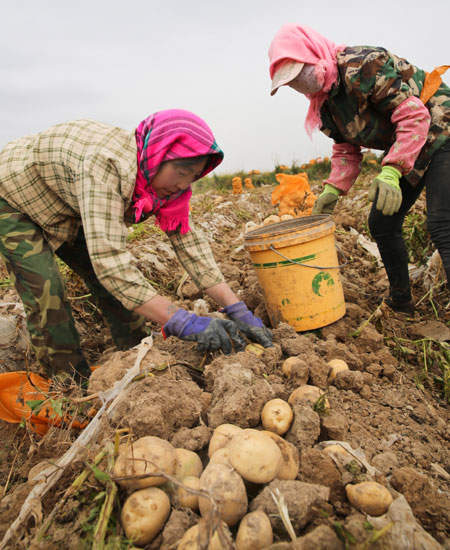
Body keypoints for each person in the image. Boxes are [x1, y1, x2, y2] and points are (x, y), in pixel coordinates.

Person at [0, 109, 272, 386]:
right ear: (158, 154)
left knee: (113, 285)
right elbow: (110, 262)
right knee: (47, 291)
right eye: (180, 172)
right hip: (15, 195)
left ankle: (136, 357)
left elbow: (190, 245)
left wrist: (237, 308)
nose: (183, 184)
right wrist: (182, 321)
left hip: (68, 203)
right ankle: (69, 388)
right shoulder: (106, 165)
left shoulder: (169, 189)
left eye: (193, 176)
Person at [268, 24, 450, 314]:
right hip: (409, 143)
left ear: (314, 56)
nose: (300, 84)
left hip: (441, 127)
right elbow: (346, 149)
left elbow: (414, 116)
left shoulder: (362, 66)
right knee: (382, 223)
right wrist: (332, 189)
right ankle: (401, 301)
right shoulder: (324, 107)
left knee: (443, 223)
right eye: (292, 82)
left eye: (300, 73)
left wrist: (392, 170)